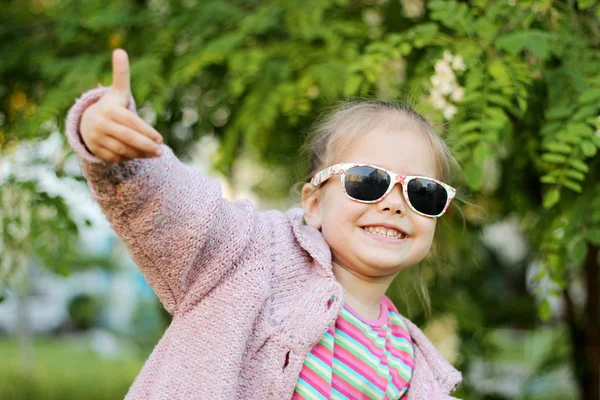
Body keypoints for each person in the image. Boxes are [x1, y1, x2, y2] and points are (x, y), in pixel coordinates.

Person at [65, 49, 462, 400]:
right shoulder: (251, 255)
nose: (394, 204)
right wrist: (116, 152)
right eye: (368, 181)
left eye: (422, 192)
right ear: (314, 203)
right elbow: (178, 211)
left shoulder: (408, 361)